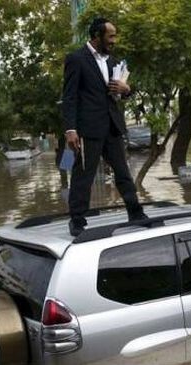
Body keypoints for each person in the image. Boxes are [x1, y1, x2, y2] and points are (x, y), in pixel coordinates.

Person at [61, 17, 146, 236]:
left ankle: (135, 213)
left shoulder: (112, 62)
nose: (114, 41)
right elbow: (69, 97)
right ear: (97, 36)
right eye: (111, 36)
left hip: (112, 126)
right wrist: (70, 129)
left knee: (123, 173)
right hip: (88, 129)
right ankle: (77, 220)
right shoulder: (76, 59)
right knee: (83, 176)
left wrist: (126, 89)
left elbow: (119, 94)